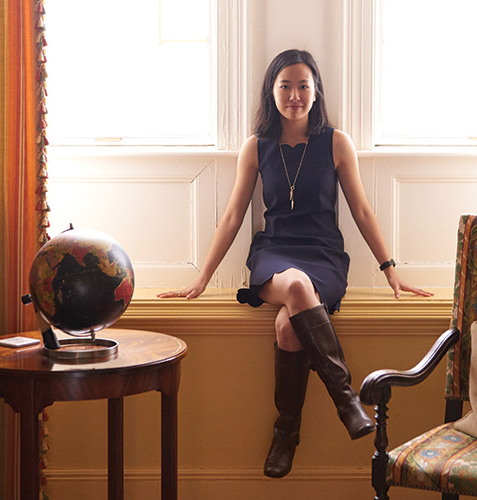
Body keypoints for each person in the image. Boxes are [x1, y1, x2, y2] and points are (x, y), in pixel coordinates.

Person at [159, 49, 432, 478]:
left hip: (323, 253)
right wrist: (203, 276)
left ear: (316, 90)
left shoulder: (336, 142)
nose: (294, 95)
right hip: (275, 253)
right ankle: (348, 400)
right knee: (297, 286)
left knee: (288, 327)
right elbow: (233, 216)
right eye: (285, 85)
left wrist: (390, 268)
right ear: (271, 92)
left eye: (303, 85)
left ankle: (287, 431)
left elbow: (361, 210)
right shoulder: (256, 146)